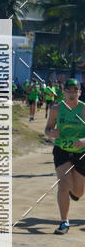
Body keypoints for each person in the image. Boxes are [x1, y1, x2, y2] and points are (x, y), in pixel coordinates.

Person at [44, 77, 85, 234]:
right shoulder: (56, 109)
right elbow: (47, 130)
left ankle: (72, 192)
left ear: (79, 93)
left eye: (75, 91)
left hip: (81, 154)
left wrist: (83, 140)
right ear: (64, 92)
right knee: (62, 185)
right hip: (61, 151)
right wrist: (52, 133)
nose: (72, 94)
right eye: (69, 91)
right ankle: (64, 222)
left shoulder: (83, 109)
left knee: (79, 192)